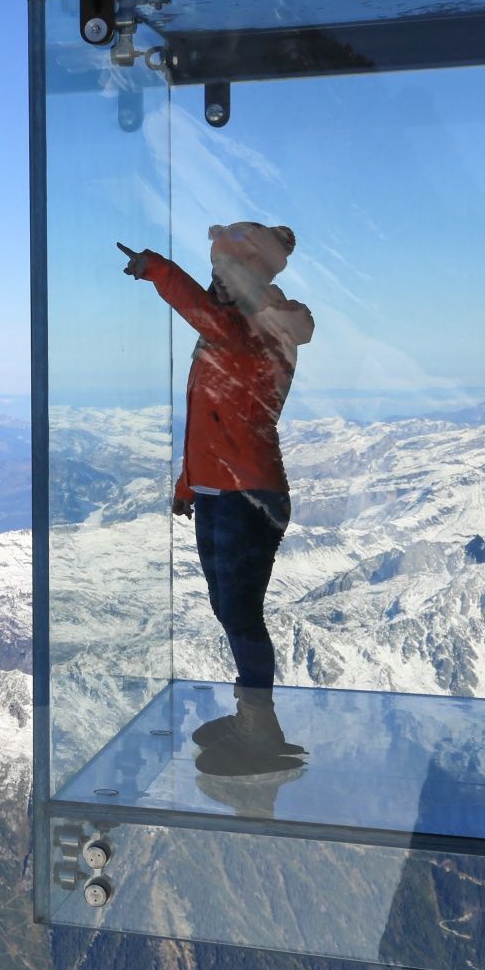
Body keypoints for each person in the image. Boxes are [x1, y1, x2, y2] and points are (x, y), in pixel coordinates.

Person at [118, 223, 314, 776]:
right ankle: (250, 718)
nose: (217, 283)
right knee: (229, 609)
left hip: (247, 493)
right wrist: (189, 485)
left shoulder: (258, 327)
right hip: (220, 490)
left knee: (241, 612)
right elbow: (210, 419)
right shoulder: (234, 327)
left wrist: (158, 269)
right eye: (215, 273)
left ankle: (260, 725)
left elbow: (210, 319)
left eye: (228, 272)